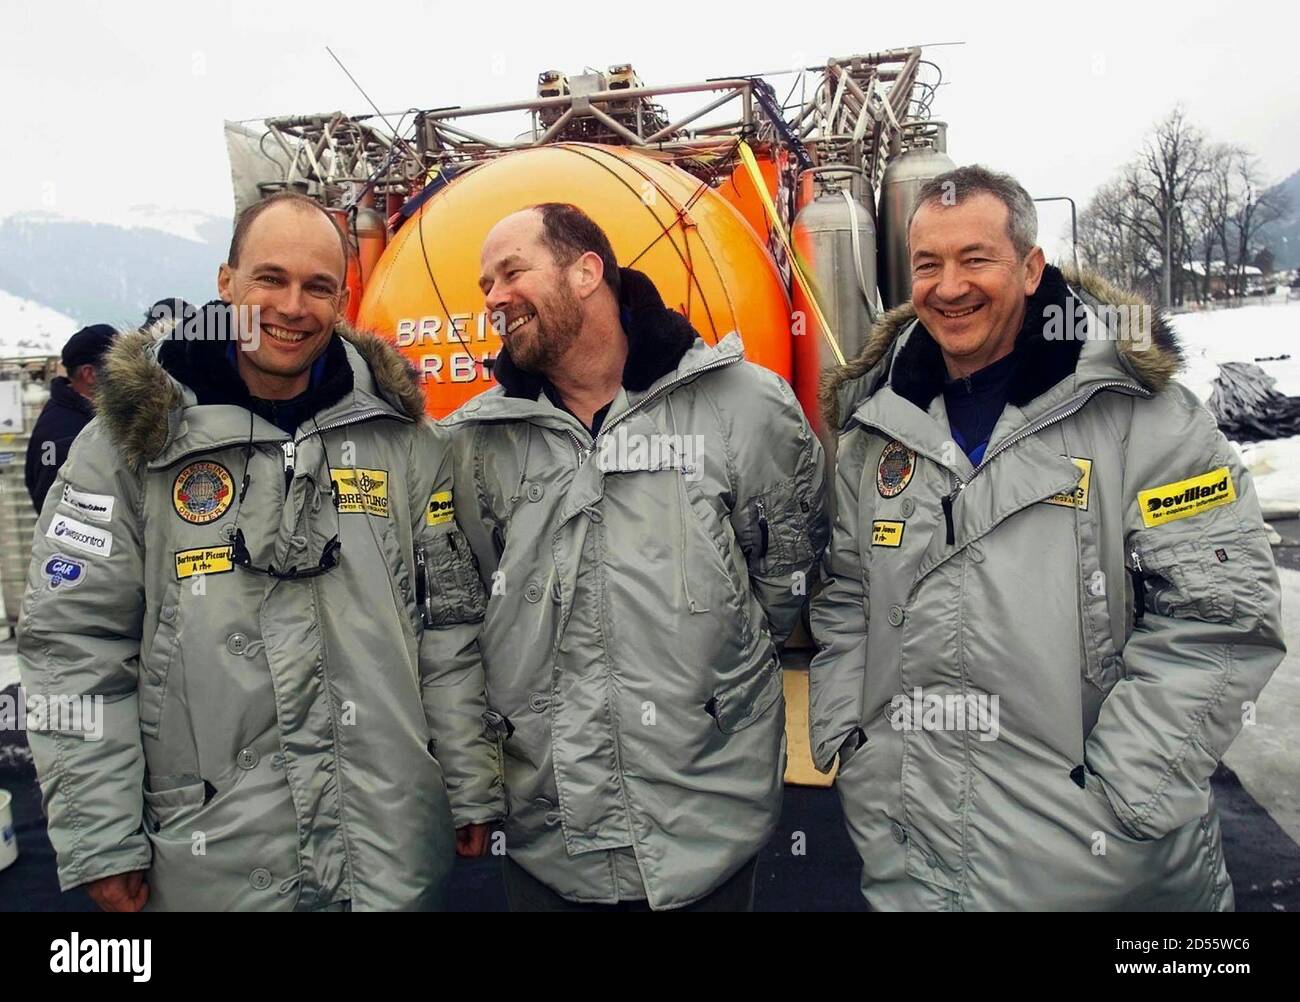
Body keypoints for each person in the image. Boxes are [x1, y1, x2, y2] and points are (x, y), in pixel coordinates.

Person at [810, 165, 1285, 911]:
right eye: (928, 264)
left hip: (1103, 869)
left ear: (1032, 268)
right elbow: (849, 596)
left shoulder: (1140, 415)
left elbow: (1220, 617)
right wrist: (853, 742)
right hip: (911, 854)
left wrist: (1127, 794)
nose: (949, 285)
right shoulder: (879, 429)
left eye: (976, 259)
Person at [18, 190, 500, 911]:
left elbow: (448, 627)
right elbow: (74, 644)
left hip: (389, 853)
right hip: (215, 859)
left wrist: (468, 782)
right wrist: (101, 835)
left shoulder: (402, 439)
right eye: (270, 279)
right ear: (226, 283)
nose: (292, 306)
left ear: (341, 300)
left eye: (317, 286)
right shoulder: (126, 443)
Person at [443, 202, 828, 911]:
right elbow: (461, 622)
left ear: (588, 271)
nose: (493, 298)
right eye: (484, 285)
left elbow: (782, 577)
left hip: (705, 827)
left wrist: (712, 680)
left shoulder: (743, 406)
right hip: (547, 834)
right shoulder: (473, 443)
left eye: (510, 272)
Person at [24, 324, 116, 512]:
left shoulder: (96, 415)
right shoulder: (59, 435)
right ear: (89, 374)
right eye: (120, 364)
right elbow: (49, 507)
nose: (131, 372)